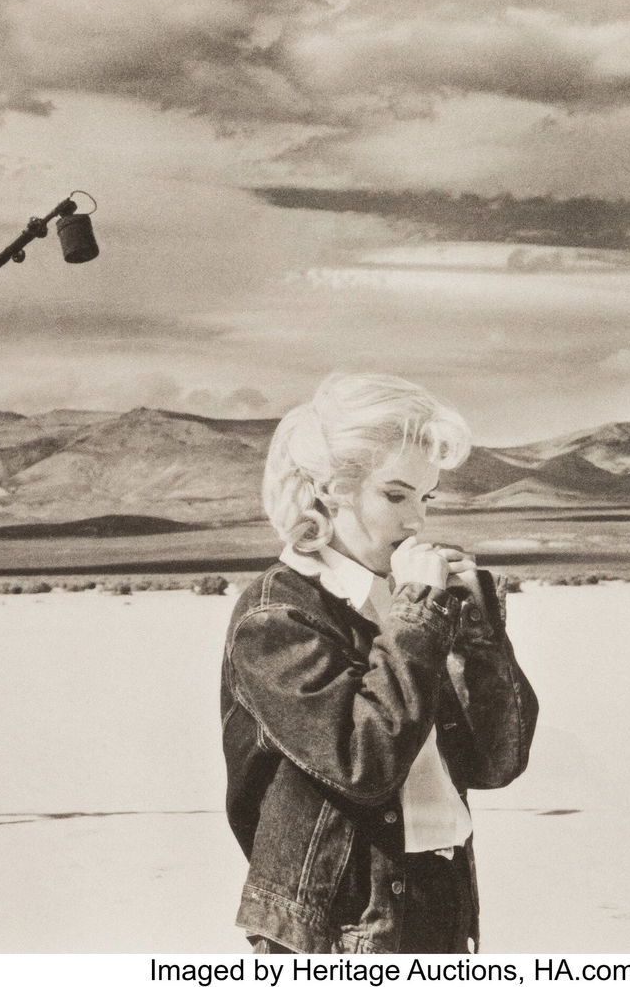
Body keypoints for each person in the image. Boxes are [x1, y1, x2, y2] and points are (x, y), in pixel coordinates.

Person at [220, 372, 538, 954]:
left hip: (439, 903)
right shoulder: (277, 616)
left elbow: (497, 763)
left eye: (426, 498)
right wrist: (416, 617)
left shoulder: (406, 603)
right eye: (395, 495)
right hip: (338, 928)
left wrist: (476, 634)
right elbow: (362, 763)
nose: (417, 521)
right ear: (328, 491)